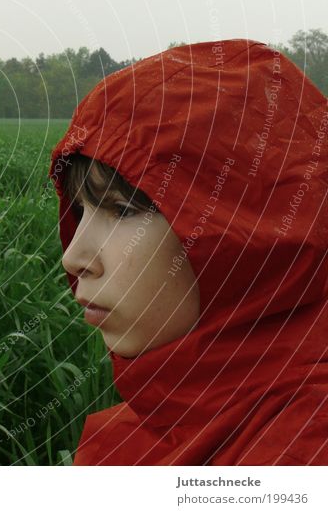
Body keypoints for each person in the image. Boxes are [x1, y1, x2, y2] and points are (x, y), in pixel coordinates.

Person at [47, 39, 328, 465]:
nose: (74, 257)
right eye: (81, 210)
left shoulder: (301, 450)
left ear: (247, 239)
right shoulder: (156, 422)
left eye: (122, 211)